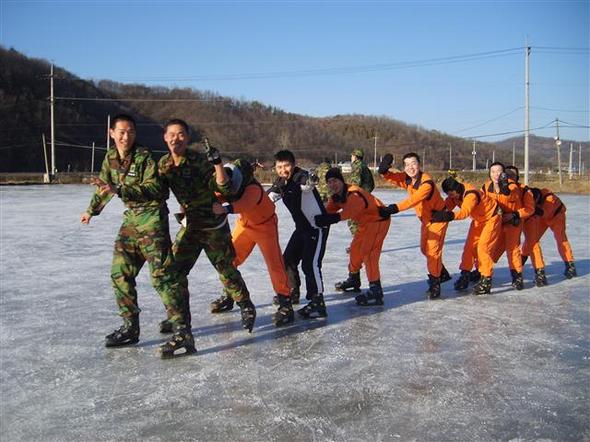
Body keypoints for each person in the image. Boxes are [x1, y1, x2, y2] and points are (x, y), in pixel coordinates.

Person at [80, 114, 194, 357]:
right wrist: (91, 211)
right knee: (119, 273)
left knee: (162, 277)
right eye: (121, 132)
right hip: (132, 219)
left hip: (152, 218)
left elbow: (156, 188)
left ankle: (182, 332)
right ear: (111, 133)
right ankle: (130, 327)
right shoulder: (110, 158)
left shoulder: (144, 157)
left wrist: (120, 189)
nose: (126, 136)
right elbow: (104, 187)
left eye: (130, 131)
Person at [158, 119, 256, 333]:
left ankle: (246, 306)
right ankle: (177, 316)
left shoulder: (199, 161)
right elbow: (157, 191)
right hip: (190, 226)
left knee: (226, 269)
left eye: (181, 134)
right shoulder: (163, 164)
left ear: (187, 137)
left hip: (213, 225)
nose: (176, 138)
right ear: (165, 137)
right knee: (173, 272)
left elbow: (224, 187)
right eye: (172, 134)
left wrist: (218, 163)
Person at [212, 158, 294, 326]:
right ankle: (230, 294)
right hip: (245, 224)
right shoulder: (231, 182)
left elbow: (245, 203)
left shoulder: (253, 188)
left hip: (265, 226)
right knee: (229, 259)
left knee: (274, 264)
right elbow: (217, 194)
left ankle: (286, 303)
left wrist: (225, 209)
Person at [377, 152, 451, 299]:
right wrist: (384, 171)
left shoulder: (426, 183)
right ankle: (441, 272)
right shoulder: (408, 179)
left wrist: (394, 208)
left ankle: (435, 283)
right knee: (425, 249)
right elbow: (394, 178)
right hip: (426, 220)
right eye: (407, 164)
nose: (411, 167)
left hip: (438, 219)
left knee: (432, 252)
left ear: (419, 165)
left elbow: (414, 200)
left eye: (413, 163)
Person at [314, 167, 391, 305]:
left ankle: (376, 290)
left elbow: (348, 213)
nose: (332, 184)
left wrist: (329, 219)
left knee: (369, 253)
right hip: (364, 224)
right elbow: (328, 211)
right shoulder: (337, 197)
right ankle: (354, 279)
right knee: (355, 250)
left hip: (378, 221)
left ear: (342, 181)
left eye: (335, 180)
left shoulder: (353, 194)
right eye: (329, 182)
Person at [268, 150, 329, 318]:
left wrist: (312, 179)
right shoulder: (281, 182)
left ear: (293, 165)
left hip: (316, 227)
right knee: (287, 260)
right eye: (279, 167)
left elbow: (307, 183)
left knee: (310, 264)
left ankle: (318, 301)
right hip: (301, 228)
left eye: (286, 165)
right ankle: (293, 292)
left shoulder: (299, 176)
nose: (283, 170)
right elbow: (267, 199)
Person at [432, 176, 502, 295]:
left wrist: (447, 216)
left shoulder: (470, 195)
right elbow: (445, 207)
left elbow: (464, 213)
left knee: (483, 248)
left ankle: (486, 279)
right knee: (469, 247)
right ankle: (465, 274)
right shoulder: (454, 196)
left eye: (452, 194)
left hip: (492, 217)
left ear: (456, 189)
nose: (451, 196)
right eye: (449, 194)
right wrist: (433, 213)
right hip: (478, 220)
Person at [483, 162, 530, 291]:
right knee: (486, 247)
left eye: (499, 171)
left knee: (512, 249)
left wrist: (514, 214)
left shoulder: (513, 186)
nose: (496, 174)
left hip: (512, 222)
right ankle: (482, 272)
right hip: (494, 221)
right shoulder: (486, 186)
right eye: (493, 171)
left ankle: (517, 276)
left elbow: (513, 195)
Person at [521, 186, 577, 280]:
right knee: (532, 240)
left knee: (561, 239)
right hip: (542, 218)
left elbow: (544, 212)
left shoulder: (549, 198)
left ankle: (570, 265)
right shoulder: (530, 196)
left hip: (557, 217)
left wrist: (532, 210)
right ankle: (522, 257)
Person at [348, 148, 375, 236]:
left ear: (355, 157)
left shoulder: (357, 166)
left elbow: (355, 184)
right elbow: (371, 184)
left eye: (352, 156)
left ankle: (359, 245)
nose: (351, 158)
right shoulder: (363, 165)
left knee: (353, 222)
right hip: (364, 196)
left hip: (359, 197)